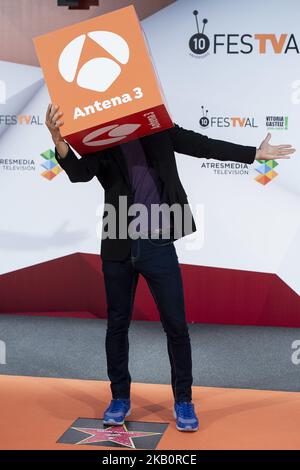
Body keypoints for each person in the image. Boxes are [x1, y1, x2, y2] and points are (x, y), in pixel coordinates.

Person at [46, 103, 295, 432]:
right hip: (118, 242)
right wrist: (57, 138)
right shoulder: (101, 138)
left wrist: (254, 153)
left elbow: (204, 145)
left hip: (158, 243)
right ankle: (119, 397)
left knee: (176, 326)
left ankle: (183, 401)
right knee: (117, 325)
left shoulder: (158, 129)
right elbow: (79, 174)